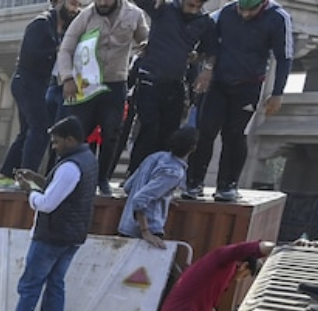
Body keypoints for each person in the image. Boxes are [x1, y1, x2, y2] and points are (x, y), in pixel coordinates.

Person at [0, 116, 98, 311]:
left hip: (51, 236)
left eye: (57, 142)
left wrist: (29, 191)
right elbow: (63, 190)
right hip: (73, 236)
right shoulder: (87, 159)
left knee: (30, 286)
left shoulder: (69, 167)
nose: (54, 147)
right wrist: (38, 179)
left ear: (70, 140)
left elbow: (47, 203)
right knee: (55, 286)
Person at [184, 0, 293, 201]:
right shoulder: (225, 12)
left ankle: (228, 185)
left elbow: (285, 57)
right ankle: (193, 182)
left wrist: (278, 92)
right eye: (241, 9)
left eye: (250, 10)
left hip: (248, 86)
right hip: (218, 82)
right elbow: (209, 39)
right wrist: (206, 68)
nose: (244, 15)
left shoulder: (279, 18)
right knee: (205, 131)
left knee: (234, 134)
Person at [54, 0, 149, 195]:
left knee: (112, 133)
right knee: (78, 132)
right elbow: (66, 49)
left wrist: (146, 45)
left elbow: (145, 39)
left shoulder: (134, 15)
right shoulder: (85, 16)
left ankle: (103, 178)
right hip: (86, 83)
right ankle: (69, 175)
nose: (103, 3)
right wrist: (67, 78)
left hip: (116, 83)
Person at [0, 0, 84, 189]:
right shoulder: (41, 24)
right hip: (26, 82)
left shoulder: (64, 28)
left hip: (38, 84)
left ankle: (4, 175)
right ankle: (28, 177)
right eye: (72, 4)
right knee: (40, 128)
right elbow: (29, 53)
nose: (75, 9)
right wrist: (56, 51)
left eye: (78, 5)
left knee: (27, 131)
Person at [124, 0, 217, 177]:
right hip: (150, 77)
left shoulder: (204, 21)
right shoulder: (163, 8)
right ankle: (135, 172)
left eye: (197, 7)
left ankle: (157, 173)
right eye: (190, 5)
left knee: (169, 131)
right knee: (149, 127)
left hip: (175, 82)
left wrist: (204, 65)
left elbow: (211, 50)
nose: (193, 10)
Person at [118, 127, 199, 247]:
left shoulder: (155, 157)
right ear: (193, 148)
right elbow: (140, 199)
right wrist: (145, 232)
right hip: (149, 230)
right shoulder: (174, 172)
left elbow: (128, 187)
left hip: (126, 226)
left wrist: (164, 196)